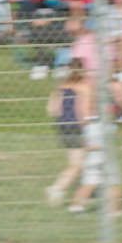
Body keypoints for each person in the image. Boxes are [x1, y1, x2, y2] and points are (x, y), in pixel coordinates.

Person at [46, 58, 91, 205]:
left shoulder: (61, 87)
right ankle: (57, 188)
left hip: (62, 126)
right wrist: (87, 128)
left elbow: (51, 109)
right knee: (77, 164)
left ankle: (83, 189)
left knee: (78, 163)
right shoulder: (85, 88)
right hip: (77, 126)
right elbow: (84, 111)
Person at [9, 0, 65, 75]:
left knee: (58, 27)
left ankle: (60, 64)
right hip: (30, 18)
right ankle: (42, 63)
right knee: (38, 30)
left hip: (49, 15)